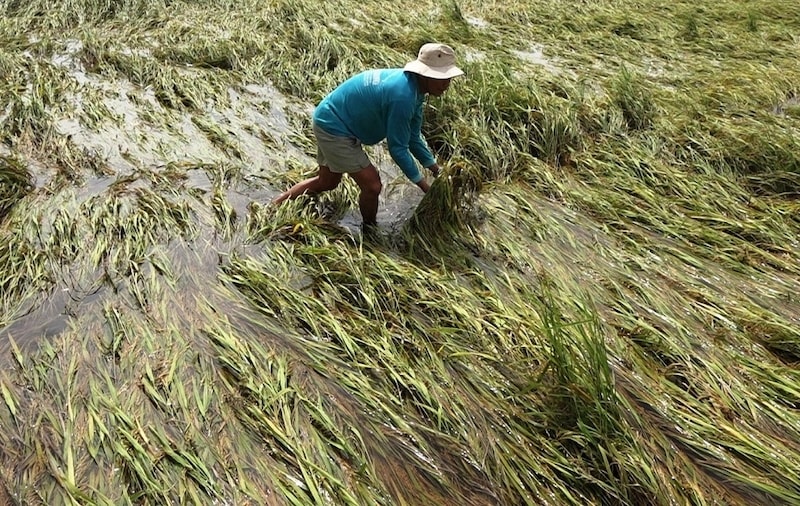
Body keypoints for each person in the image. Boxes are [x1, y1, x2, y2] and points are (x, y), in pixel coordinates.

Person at [272, 43, 464, 228]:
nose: (446, 83)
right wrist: (424, 186)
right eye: (441, 77)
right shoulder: (403, 96)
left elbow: (413, 136)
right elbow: (398, 148)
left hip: (329, 117)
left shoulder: (414, 90)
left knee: (327, 182)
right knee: (372, 186)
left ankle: (274, 206)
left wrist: (436, 170)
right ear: (424, 74)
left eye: (448, 77)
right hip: (335, 126)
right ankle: (370, 230)